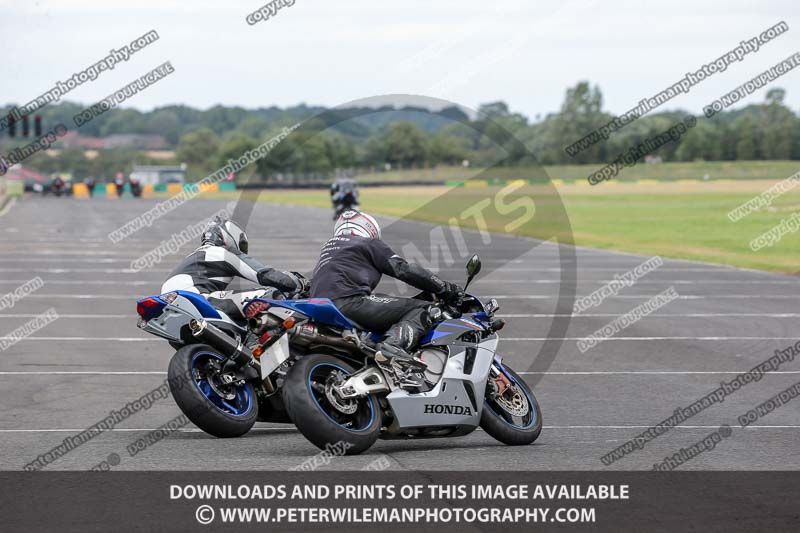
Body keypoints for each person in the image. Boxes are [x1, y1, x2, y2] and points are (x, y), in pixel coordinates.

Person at [310, 210, 463, 376]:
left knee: (384, 298)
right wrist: (445, 288)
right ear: (369, 229)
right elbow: (404, 269)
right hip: (349, 302)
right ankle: (392, 346)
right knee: (426, 309)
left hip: (317, 307)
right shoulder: (367, 243)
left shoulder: (328, 248)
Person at [161, 216, 308, 321]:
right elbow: (264, 275)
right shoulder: (223, 252)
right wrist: (299, 282)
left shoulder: (195, 255)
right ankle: (256, 345)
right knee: (273, 294)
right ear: (230, 237)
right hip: (196, 299)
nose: (242, 250)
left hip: (168, 308)